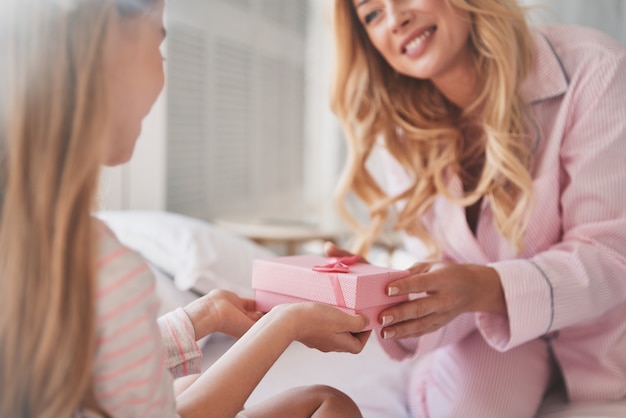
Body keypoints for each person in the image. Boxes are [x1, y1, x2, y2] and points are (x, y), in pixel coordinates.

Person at [0, 1, 371, 417]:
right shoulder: (104, 270)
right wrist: (286, 324)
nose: (162, 77)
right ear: (103, 48)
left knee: (191, 379)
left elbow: (94, 360)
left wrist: (203, 316)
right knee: (330, 406)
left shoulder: (30, 236)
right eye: (159, 46)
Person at [327, 0, 626, 416]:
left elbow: (612, 253)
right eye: (372, 14)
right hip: (487, 331)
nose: (396, 19)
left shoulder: (597, 69)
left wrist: (482, 286)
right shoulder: (403, 129)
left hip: (604, 342)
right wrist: (386, 293)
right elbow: (443, 270)